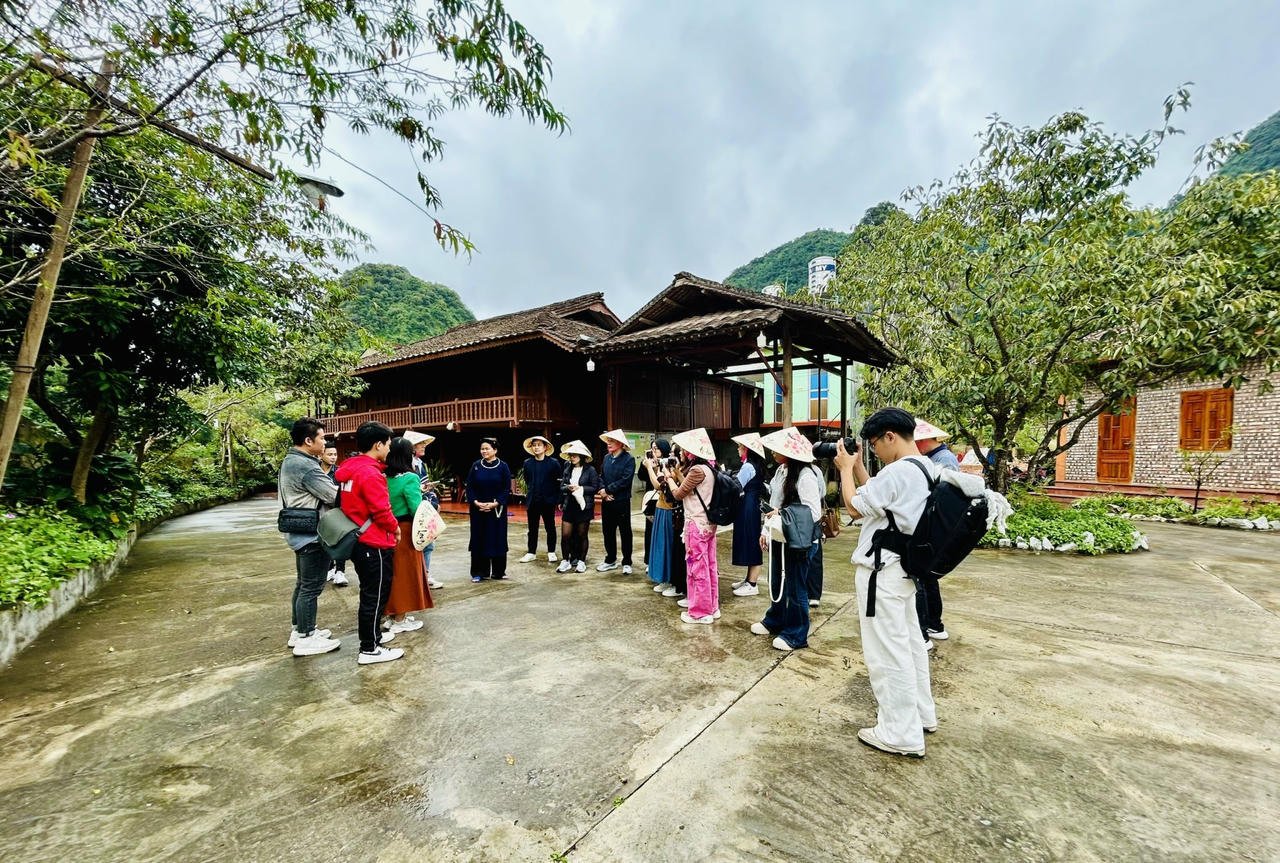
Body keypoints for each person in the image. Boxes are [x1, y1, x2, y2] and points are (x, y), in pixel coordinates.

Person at [834, 407, 938, 758]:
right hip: (904, 573)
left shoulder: (898, 474)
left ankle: (899, 733)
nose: (875, 449)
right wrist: (858, 467)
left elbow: (853, 507)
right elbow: (878, 497)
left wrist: (846, 470)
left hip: (883, 574)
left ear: (891, 436)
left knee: (887, 654)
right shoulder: (924, 468)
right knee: (910, 646)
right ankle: (920, 717)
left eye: (876, 443)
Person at [335, 421, 404, 666]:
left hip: (358, 538)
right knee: (375, 595)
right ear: (378, 444)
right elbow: (381, 510)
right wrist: (395, 528)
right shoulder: (370, 472)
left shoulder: (349, 468)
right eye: (387, 443)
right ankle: (369, 648)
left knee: (370, 592)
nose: (389, 448)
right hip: (373, 541)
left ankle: (373, 636)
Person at [752, 428, 823, 651]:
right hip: (780, 536)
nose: (773, 452)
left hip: (799, 541)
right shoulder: (782, 471)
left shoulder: (806, 475)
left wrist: (782, 515)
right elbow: (774, 504)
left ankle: (796, 634)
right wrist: (766, 531)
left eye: (778, 449)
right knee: (777, 581)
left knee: (796, 586)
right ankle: (775, 619)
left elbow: (813, 512)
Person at [278, 418, 341, 657]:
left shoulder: (291, 460)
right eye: (322, 438)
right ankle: (306, 638)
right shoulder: (306, 465)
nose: (324, 443)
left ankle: (300, 630)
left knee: (303, 584)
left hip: (299, 533)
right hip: (312, 536)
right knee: (311, 587)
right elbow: (333, 495)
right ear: (308, 440)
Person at [913, 420, 958, 647]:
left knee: (922, 580)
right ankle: (934, 624)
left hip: (933, 528)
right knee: (927, 579)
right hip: (932, 526)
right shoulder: (935, 459)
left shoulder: (944, 461)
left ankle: (926, 629)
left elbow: (941, 497)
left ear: (924, 440)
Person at [383, 436, 434, 634]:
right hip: (405, 531)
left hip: (386, 529)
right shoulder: (410, 478)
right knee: (405, 574)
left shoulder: (382, 477)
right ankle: (400, 619)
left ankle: (391, 615)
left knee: (391, 574)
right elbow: (416, 509)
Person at [670, 427, 720, 625]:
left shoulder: (697, 470)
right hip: (709, 524)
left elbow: (678, 494)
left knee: (696, 568)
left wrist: (669, 479)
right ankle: (712, 606)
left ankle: (700, 612)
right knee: (709, 566)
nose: (682, 453)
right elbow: (691, 489)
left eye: (684, 450)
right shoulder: (709, 468)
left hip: (696, 525)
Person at [466, 438, 511, 582]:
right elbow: (470, 487)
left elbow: (506, 488)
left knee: (497, 538)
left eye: (487, 448)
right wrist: (476, 502)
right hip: (478, 509)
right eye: (482, 449)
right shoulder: (476, 466)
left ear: (495, 450)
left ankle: (499, 572)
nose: (484, 451)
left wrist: (496, 503)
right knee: (479, 539)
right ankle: (479, 572)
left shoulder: (503, 466)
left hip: (497, 510)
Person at [404, 430, 443, 590]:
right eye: (420, 444)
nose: (423, 446)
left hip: (425, 506)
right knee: (419, 543)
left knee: (428, 543)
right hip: (414, 510)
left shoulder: (420, 464)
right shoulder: (407, 465)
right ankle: (420, 577)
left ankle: (425, 574)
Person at [729, 432, 766, 597]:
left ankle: (752, 583)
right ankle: (748, 579)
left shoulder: (748, 466)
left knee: (751, 542)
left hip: (748, 507)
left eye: (740, 446)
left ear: (747, 449)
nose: (738, 449)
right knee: (750, 540)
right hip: (750, 505)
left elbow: (736, 486)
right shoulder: (754, 465)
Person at [595, 429, 636, 574]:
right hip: (607, 501)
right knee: (608, 531)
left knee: (625, 532)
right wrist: (602, 491)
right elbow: (601, 476)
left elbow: (625, 480)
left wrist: (608, 490)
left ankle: (627, 561)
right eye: (608, 441)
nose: (609, 444)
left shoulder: (629, 459)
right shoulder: (606, 458)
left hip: (621, 501)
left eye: (611, 441)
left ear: (620, 443)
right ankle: (610, 559)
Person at [556, 440, 599, 573]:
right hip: (570, 504)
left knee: (582, 534)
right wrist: (568, 489)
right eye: (571, 455)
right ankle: (565, 561)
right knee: (565, 535)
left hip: (584, 505)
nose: (572, 458)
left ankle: (581, 561)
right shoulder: (567, 468)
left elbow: (594, 487)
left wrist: (580, 488)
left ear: (581, 456)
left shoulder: (590, 470)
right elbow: (562, 486)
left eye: (575, 455)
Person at [519, 435, 562, 564]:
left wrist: (557, 499)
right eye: (534, 445)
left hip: (548, 500)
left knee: (550, 527)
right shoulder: (528, 463)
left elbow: (558, 482)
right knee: (532, 528)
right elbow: (527, 480)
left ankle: (551, 552)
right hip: (533, 500)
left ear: (545, 447)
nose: (536, 447)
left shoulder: (553, 463)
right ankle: (531, 552)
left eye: (539, 445)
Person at [640, 439, 676, 592]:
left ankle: (668, 579)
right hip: (659, 507)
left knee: (666, 545)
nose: (653, 451)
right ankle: (661, 577)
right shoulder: (658, 465)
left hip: (668, 509)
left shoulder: (670, 467)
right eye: (652, 448)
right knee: (656, 542)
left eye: (656, 449)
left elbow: (659, 485)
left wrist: (651, 468)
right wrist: (648, 466)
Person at [320, 443, 349, 587]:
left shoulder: (339, 472)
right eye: (329, 454)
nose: (333, 457)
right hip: (321, 511)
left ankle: (340, 571)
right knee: (325, 540)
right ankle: (330, 568)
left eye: (335, 455)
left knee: (339, 540)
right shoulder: (316, 471)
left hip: (338, 511)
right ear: (321, 454)